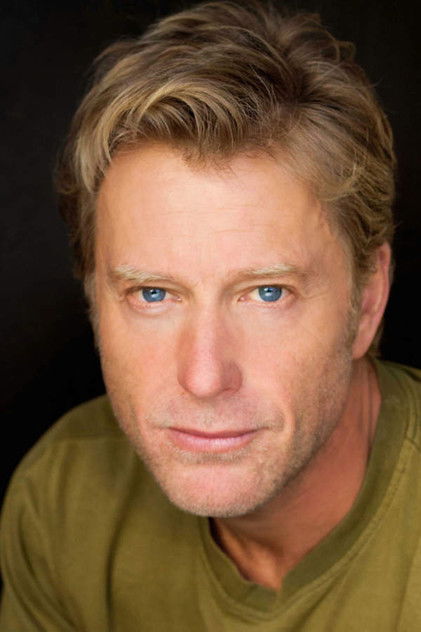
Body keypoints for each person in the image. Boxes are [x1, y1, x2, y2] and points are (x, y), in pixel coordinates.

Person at [1, 1, 420, 629]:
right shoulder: (62, 501)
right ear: (92, 300)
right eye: (153, 294)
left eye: (268, 293)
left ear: (367, 300)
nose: (203, 377)